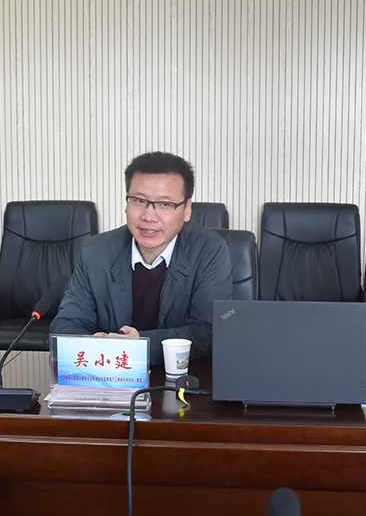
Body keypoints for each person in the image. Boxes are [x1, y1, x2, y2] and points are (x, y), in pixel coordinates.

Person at [50, 151, 232, 364]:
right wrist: (94, 343)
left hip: (183, 375)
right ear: (127, 204)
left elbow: (209, 330)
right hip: (112, 374)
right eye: (139, 200)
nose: (149, 216)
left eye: (164, 204)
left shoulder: (209, 251)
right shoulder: (95, 252)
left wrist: (140, 345)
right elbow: (66, 324)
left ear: (186, 210)